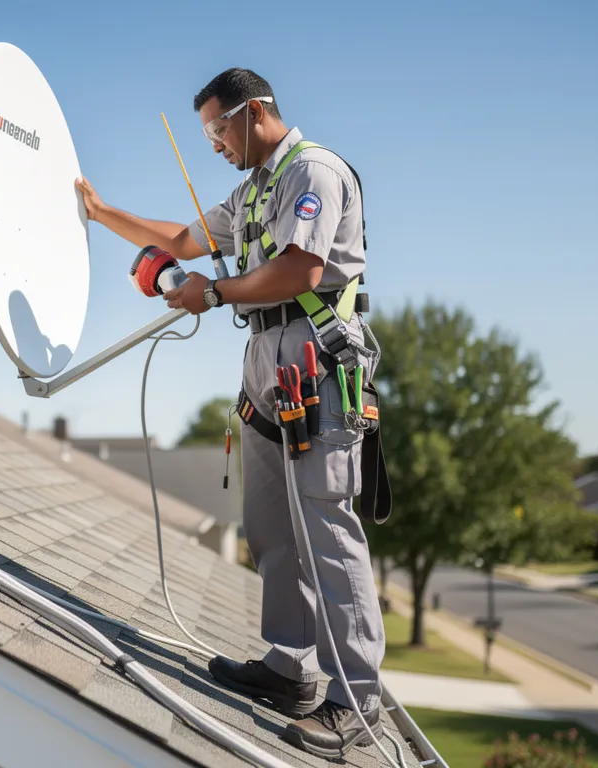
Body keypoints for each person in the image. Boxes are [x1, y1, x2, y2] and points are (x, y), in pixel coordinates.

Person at [75, 67, 386, 760]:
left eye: (218, 129)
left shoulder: (311, 173)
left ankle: (356, 701)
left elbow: (302, 270)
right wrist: (101, 213)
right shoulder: (252, 194)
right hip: (266, 361)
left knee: (326, 523)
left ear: (254, 112)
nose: (214, 144)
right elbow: (180, 239)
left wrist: (214, 293)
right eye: (207, 134)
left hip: (315, 355)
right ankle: (290, 669)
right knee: (272, 523)